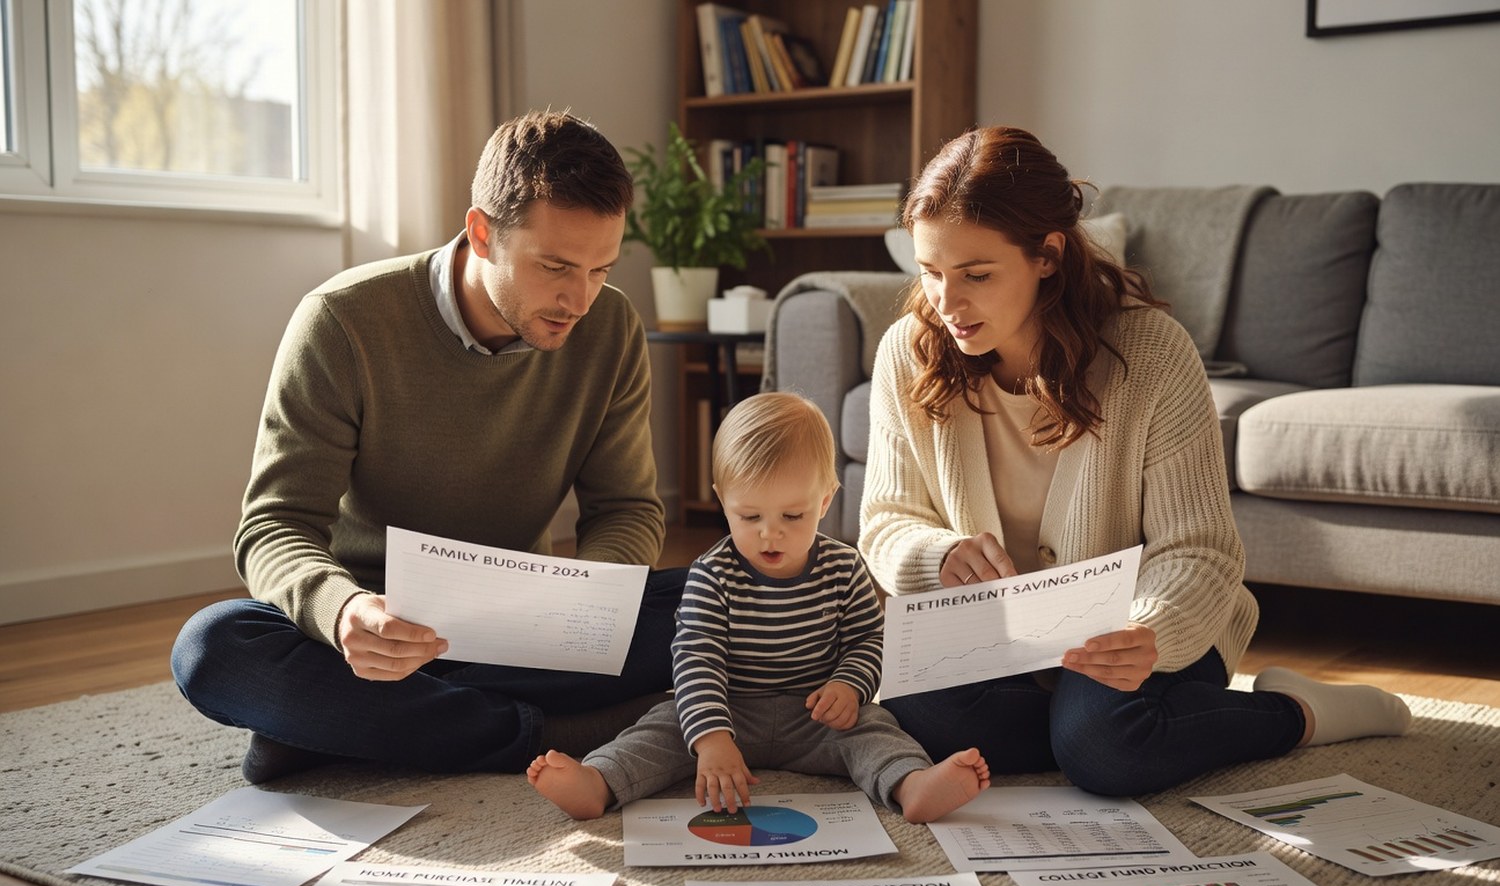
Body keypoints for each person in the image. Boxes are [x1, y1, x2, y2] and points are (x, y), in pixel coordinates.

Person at [861, 126, 1411, 797]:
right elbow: (887, 520)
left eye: (976, 275)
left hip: (1142, 634)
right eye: (931, 273)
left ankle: (1299, 713)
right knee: (911, 704)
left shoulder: (1151, 354)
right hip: (1003, 644)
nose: (947, 303)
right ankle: (1101, 732)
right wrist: (936, 555)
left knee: (1105, 745)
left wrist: (1148, 629)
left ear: (1048, 255)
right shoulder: (908, 351)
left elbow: (1202, 549)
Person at [171, 110, 687, 784]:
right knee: (214, 647)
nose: (578, 299)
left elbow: (627, 510)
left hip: (530, 630)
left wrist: (587, 600)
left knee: (733, 598)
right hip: (379, 637)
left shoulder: (611, 325)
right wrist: (343, 610)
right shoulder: (343, 322)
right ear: (481, 233)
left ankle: (345, 732)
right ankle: (557, 732)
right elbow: (275, 526)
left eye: (600, 270)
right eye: (555, 266)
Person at [527, 392, 991, 823]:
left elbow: (869, 640)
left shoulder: (844, 566)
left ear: (825, 500)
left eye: (793, 516)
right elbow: (696, 660)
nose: (772, 534)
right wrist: (711, 739)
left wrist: (849, 686)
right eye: (750, 517)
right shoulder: (712, 574)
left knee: (877, 728)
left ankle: (911, 786)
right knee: (660, 726)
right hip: (728, 712)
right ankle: (598, 782)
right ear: (723, 501)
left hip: (817, 718)